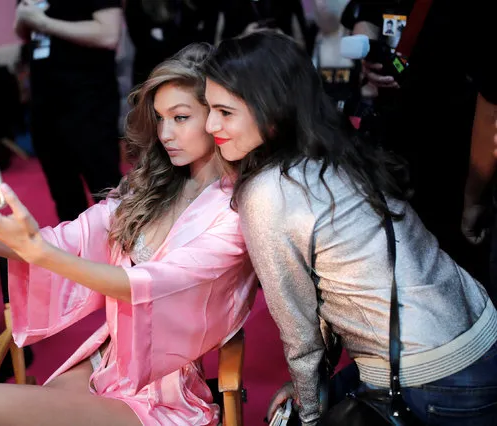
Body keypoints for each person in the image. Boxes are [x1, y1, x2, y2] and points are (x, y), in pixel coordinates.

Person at [0, 44, 257, 426]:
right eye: (159, 118)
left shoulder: (234, 213)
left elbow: (150, 285)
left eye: (180, 117)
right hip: (107, 363)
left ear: (218, 117)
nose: (165, 133)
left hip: (165, 394)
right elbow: (66, 240)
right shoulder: (153, 189)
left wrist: (36, 251)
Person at [202, 31, 497, 425]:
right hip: (481, 331)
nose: (209, 124)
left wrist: (309, 416)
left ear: (270, 110)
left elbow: (300, 336)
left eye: (224, 112)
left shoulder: (267, 193)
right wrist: (318, 388)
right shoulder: (337, 146)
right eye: (207, 108)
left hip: (434, 375)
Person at [348, 0, 497, 289]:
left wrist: (475, 196)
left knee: (451, 253)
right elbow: (364, 21)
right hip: (389, 135)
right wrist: (367, 56)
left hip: (452, 139)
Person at [14, 0, 123, 222]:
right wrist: (23, 17)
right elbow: (24, 32)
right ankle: (77, 253)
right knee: (64, 195)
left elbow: (108, 34)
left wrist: (44, 22)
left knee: (106, 188)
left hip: (88, 100)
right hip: (44, 99)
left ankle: (128, 253)